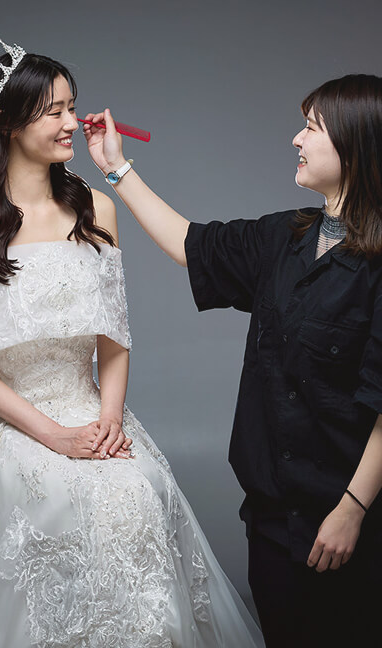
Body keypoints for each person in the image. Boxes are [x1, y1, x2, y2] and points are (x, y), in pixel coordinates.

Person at [0, 38, 264, 647]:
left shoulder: (95, 207)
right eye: (54, 111)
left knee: (137, 495)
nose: (72, 122)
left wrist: (108, 420)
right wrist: (53, 436)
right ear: (7, 122)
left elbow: (115, 335)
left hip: (91, 410)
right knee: (42, 502)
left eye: (73, 106)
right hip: (4, 419)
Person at [83, 73, 382, 648]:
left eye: (312, 128)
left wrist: (352, 509)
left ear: (355, 143)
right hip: (271, 522)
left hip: (348, 523)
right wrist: (115, 168)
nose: (296, 139)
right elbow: (190, 245)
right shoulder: (283, 236)